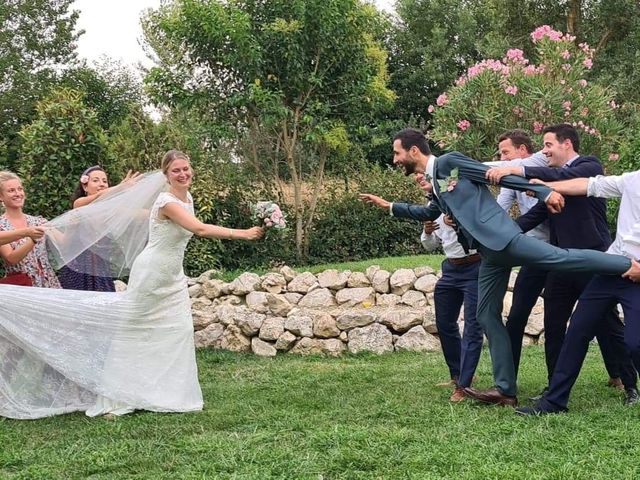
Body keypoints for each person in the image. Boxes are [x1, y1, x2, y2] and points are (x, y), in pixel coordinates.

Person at [359, 128, 640, 407]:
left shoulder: (448, 162)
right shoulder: (437, 179)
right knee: (485, 315)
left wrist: (543, 192)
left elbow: (493, 174)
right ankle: (505, 390)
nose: (395, 160)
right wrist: (389, 206)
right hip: (489, 253)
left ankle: (625, 262)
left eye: (396, 153)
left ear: (413, 151)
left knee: (560, 258)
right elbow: (431, 212)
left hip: (503, 239)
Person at [0, 150, 264, 419]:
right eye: (176, 171)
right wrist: (242, 233)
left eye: (186, 168)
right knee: (135, 331)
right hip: (152, 272)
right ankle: (118, 393)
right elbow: (200, 229)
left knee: (177, 330)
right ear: (165, 175)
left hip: (172, 273)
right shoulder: (166, 202)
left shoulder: (188, 198)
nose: (183, 174)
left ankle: (165, 391)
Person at [487, 124, 636, 402]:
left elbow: (562, 176)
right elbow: (534, 217)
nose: (544, 152)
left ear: (567, 144)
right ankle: (554, 387)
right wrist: (499, 237)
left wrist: (518, 171)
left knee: (608, 325)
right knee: (554, 325)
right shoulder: (553, 183)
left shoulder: (589, 165)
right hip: (562, 263)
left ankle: (630, 385)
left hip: (593, 261)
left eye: (548, 145)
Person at [516, 169, 640, 415]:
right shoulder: (632, 180)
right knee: (577, 331)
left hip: (638, 279)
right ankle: (555, 402)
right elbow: (588, 185)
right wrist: (548, 185)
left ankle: (630, 387)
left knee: (635, 342)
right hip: (610, 269)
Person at [488, 130, 550, 379]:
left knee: (598, 316)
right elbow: (499, 209)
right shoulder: (511, 180)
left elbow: (516, 167)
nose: (502, 159)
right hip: (532, 255)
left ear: (523, 150)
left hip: (560, 251)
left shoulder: (540, 163)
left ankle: (619, 375)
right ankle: (508, 380)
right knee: (516, 318)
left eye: (506, 152)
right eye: (500, 154)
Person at [420, 212, 483, 402]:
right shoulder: (433, 208)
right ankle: (457, 375)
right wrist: (427, 232)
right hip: (450, 268)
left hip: (476, 266)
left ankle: (464, 385)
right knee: (445, 324)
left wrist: (458, 223)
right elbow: (430, 245)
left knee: (473, 327)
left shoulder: (465, 200)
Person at [57, 166, 140, 292]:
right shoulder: (79, 205)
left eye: (104, 181)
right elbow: (66, 246)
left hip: (101, 272)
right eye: (96, 181)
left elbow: (138, 214)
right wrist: (120, 188)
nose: (101, 184)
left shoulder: (111, 211)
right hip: (78, 272)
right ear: (85, 186)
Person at [0, 171, 61, 288]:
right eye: (11, 190)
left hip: (49, 284)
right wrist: (32, 240)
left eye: (20, 189)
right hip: (23, 286)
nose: (18, 193)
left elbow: (64, 242)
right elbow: (11, 259)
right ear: (1, 196)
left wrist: (77, 220)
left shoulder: (39, 222)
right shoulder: (1, 226)